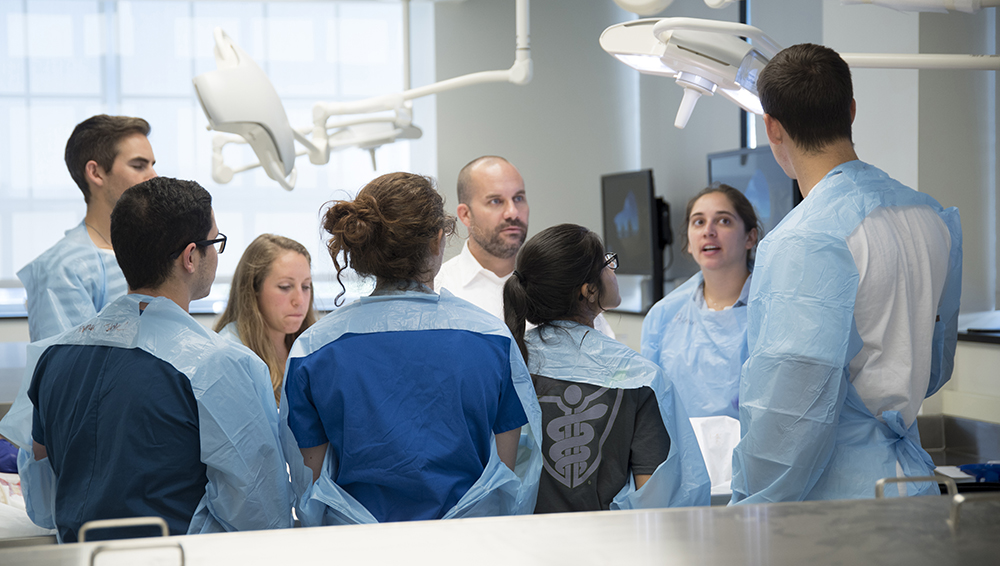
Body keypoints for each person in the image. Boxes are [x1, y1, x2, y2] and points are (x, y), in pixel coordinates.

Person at [730, 44, 962, 504]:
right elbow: (934, 367)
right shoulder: (931, 216)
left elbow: (787, 417)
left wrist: (747, 516)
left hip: (839, 504)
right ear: (851, 111)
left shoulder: (805, 239)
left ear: (772, 128)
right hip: (911, 487)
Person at [1, 177, 292, 542]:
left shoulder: (53, 358)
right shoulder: (220, 365)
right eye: (215, 243)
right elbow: (261, 515)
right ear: (190, 256)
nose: (216, 254)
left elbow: (44, 506)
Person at [280, 172, 542, 526]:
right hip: (468, 545)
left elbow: (309, 488)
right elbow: (505, 476)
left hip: (354, 548)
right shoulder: (492, 340)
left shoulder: (314, 349)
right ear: (438, 241)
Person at [503, 224, 710, 512]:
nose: (613, 271)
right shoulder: (640, 379)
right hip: (608, 547)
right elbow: (659, 501)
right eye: (607, 264)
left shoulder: (507, 364)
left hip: (522, 547)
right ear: (589, 290)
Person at [434, 155, 616, 338]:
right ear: (465, 215)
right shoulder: (439, 290)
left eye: (518, 198)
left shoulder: (562, 285)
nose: (512, 212)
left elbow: (604, 354)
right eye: (496, 201)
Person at [18, 115, 157, 342]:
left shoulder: (153, 253)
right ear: (96, 173)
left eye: (152, 165)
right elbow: (67, 369)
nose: (153, 177)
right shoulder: (63, 269)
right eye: (139, 165)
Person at [641, 184, 760, 420]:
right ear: (688, 240)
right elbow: (650, 406)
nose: (709, 231)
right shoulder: (663, 315)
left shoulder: (775, 308)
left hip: (756, 454)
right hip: (684, 455)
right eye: (698, 222)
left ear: (750, 237)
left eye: (724, 221)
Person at [215, 234, 317, 405]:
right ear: (253, 288)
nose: (299, 300)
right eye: (285, 287)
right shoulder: (230, 355)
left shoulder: (311, 346)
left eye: (306, 286)